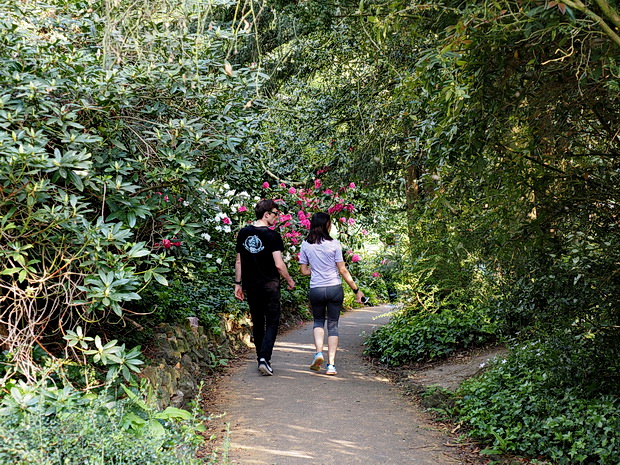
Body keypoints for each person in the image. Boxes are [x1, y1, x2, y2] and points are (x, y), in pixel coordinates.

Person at [234, 199, 295, 376]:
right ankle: (264, 358)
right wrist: (289, 280)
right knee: (273, 321)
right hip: (270, 285)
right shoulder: (272, 235)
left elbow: (239, 261)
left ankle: (261, 358)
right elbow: (278, 264)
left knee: (258, 321)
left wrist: (238, 284)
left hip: (251, 285)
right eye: (275, 214)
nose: (277, 217)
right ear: (266, 214)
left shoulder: (243, 232)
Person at [299, 212, 364, 376]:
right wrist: (356, 290)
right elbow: (342, 269)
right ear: (327, 224)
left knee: (318, 322)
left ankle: (319, 353)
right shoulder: (334, 244)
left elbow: (303, 271)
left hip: (317, 289)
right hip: (334, 288)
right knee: (333, 325)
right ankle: (331, 365)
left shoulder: (306, 245)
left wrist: (315, 268)